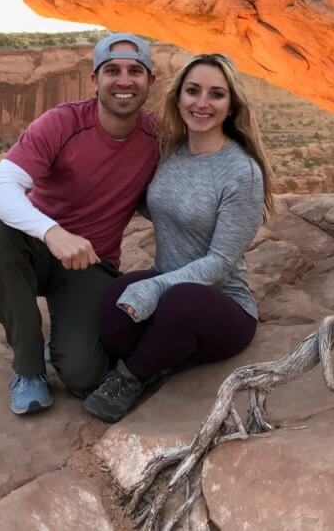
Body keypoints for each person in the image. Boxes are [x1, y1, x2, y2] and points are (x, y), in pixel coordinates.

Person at [82, 53, 274, 423]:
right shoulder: (170, 151)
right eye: (193, 91)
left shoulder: (241, 172)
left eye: (216, 94)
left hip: (219, 305)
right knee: (112, 306)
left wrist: (154, 287)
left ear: (231, 105)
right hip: (168, 283)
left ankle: (131, 378)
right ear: (179, 97)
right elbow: (152, 203)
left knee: (179, 304)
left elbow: (220, 262)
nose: (202, 103)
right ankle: (165, 356)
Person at [0, 33, 159, 415]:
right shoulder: (63, 122)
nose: (124, 80)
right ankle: (28, 368)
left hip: (92, 263)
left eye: (135, 71)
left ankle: (58, 345)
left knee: (83, 374)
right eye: (112, 70)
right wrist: (52, 232)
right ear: (94, 80)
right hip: (38, 248)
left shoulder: (157, 135)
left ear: (150, 81)